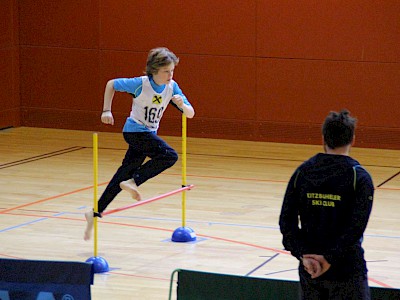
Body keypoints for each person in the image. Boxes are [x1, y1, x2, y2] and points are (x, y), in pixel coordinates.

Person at [84, 47, 195, 240]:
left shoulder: (172, 87)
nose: (170, 75)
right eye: (166, 71)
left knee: (123, 173)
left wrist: (181, 105)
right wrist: (106, 110)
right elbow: (111, 84)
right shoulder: (140, 84)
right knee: (169, 156)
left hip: (148, 133)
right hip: (135, 131)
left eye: (172, 71)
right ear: (154, 70)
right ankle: (133, 181)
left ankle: (95, 212)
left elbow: (190, 113)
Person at [279, 110, 374, 299]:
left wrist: (303, 255)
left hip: (311, 270)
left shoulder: (302, 172)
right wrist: (329, 259)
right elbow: (355, 228)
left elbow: (286, 221)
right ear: (353, 139)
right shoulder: (359, 177)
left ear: (323, 138)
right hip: (346, 271)